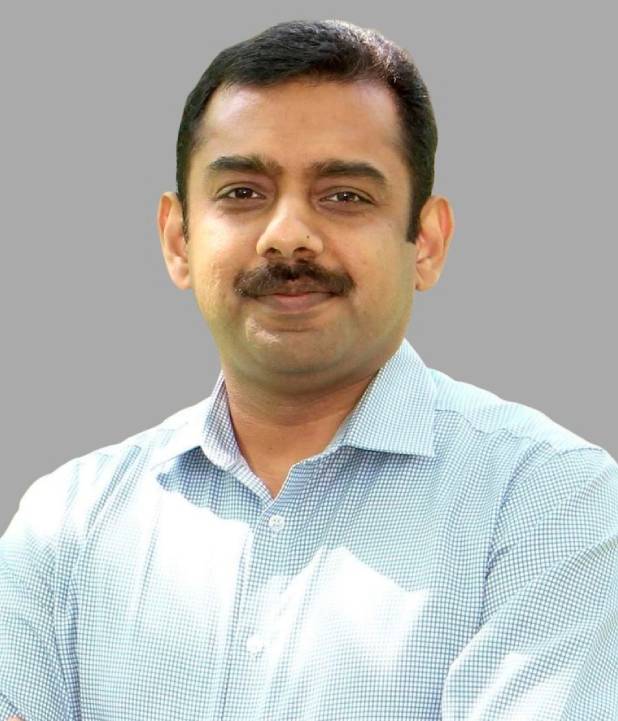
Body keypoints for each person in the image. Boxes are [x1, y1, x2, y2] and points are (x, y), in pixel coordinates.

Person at [1, 18, 617, 721]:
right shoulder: (68, 524)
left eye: (344, 195)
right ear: (178, 239)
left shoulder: (549, 503)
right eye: (242, 193)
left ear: (426, 242)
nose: (288, 235)